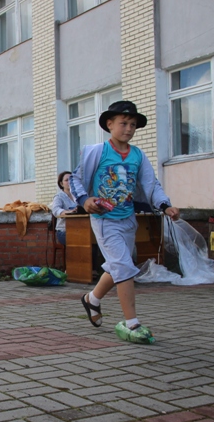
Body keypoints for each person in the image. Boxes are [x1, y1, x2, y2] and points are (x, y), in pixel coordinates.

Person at [70, 100, 180, 343]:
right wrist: (85, 200)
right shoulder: (97, 152)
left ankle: (92, 299)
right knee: (123, 267)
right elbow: (75, 179)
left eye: (132, 125)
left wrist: (165, 205)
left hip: (128, 219)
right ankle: (132, 323)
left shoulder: (138, 155)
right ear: (109, 124)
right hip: (104, 220)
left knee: (118, 266)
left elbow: (151, 184)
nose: (128, 128)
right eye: (123, 123)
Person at [50, 171, 78, 245]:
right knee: (83, 240)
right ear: (61, 184)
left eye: (71, 179)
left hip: (80, 229)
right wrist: (69, 212)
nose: (69, 181)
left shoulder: (78, 195)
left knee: (92, 239)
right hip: (64, 231)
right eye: (66, 180)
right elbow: (55, 210)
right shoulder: (59, 196)